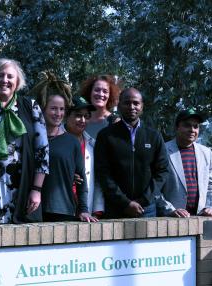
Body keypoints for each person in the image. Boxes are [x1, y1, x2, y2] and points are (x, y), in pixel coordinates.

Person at [0, 58, 49, 224]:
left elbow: (43, 151)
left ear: (17, 82)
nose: (4, 80)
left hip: (21, 185)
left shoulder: (30, 106)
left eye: (10, 76)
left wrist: (36, 189)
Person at [94, 88, 169, 218]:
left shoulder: (154, 135)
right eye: (127, 103)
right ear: (119, 105)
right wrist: (125, 203)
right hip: (115, 208)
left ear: (142, 106)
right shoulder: (106, 135)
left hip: (146, 208)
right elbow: (102, 172)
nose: (132, 106)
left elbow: (162, 171)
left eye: (136, 103)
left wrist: (143, 200)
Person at [31, 73, 96, 222]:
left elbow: (82, 182)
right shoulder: (31, 140)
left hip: (63, 210)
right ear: (43, 109)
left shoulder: (71, 142)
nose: (58, 113)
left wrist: (84, 210)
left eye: (61, 109)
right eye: (53, 108)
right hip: (33, 209)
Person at [157, 108, 212, 217]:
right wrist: (169, 210)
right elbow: (155, 188)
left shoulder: (206, 152)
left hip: (200, 217)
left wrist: (210, 206)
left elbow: (211, 184)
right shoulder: (162, 151)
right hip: (171, 219)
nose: (192, 130)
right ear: (177, 127)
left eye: (196, 126)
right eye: (187, 125)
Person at [64, 95, 105, 217]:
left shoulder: (93, 145)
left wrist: (97, 209)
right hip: (60, 210)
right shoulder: (53, 141)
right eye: (78, 115)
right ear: (67, 115)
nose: (82, 120)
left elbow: (98, 180)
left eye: (86, 116)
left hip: (86, 211)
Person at [80, 74, 121, 139]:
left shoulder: (116, 122)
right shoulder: (80, 118)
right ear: (90, 92)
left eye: (105, 91)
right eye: (97, 90)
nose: (101, 94)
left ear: (110, 96)